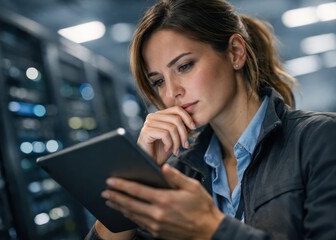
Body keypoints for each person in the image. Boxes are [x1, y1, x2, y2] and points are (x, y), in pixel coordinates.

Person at [85, 0, 336, 239]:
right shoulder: (182, 172)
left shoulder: (319, 139)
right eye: (159, 81)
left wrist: (209, 228)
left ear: (236, 53)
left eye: (184, 66)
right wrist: (139, 171)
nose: (172, 93)